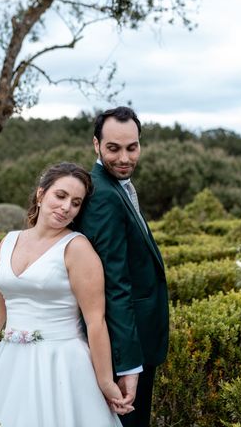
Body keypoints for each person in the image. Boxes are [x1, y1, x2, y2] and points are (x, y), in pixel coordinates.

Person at [0, 162, 131, 426]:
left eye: (76, 203)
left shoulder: (77, 248)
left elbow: (95, 321)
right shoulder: (8, 242)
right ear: (41, 194)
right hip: (8, 364)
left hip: (62, 365)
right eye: (61, 196)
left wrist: (104, 380)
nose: (67, 207)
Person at [76, 107, 169, 427]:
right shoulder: (102, 195)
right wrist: (129, 365)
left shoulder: (117, 187)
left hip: (135, 339)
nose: (125, 158)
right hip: (125, 347)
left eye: (132, 147)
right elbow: (113, 283)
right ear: (96, 145)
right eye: (114, 148)